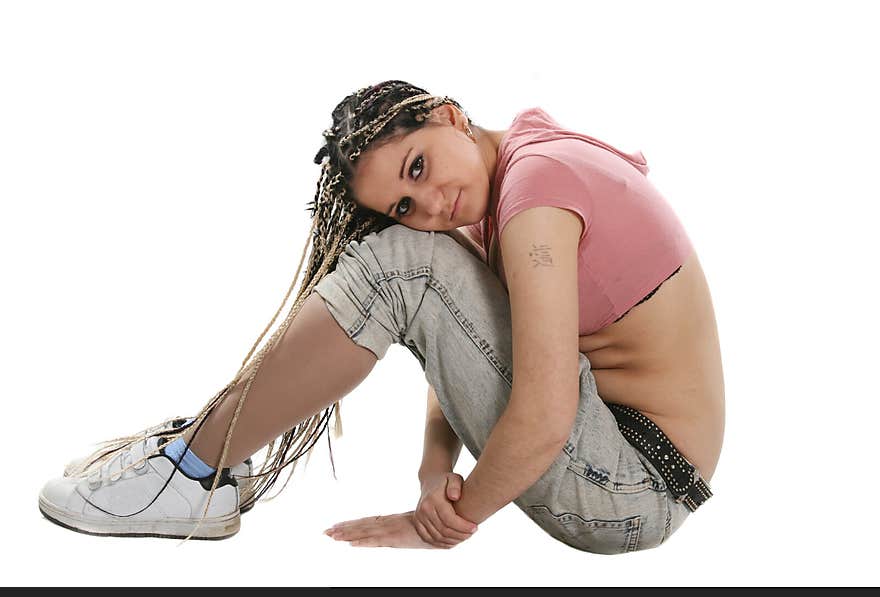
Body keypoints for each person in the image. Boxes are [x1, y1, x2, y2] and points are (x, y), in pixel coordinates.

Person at [38, 80, 725, 554]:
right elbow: (475, 339)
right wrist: (434, 471)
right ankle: (199, 450)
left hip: (632, 486)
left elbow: (544, 409)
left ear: (450, 115)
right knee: (416, 261)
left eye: (418, 166)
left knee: (407, 264)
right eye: (403, 204)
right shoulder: (516, 166)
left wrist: (443, 520)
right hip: (620, 464)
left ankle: (193, 471)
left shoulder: (534, 198)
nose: (429, 206)